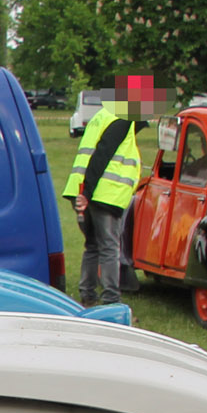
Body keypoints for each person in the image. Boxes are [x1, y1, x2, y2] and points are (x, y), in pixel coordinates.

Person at [62, 75, 151, 307]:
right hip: (102, 194)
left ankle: (88, 294)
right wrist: (88, 193)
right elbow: (102, 155)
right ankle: (111, 299)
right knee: (110, 247)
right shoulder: (122, 119)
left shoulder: (103, 115)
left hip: (85, 190)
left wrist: (82, 194)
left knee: (92, 245)